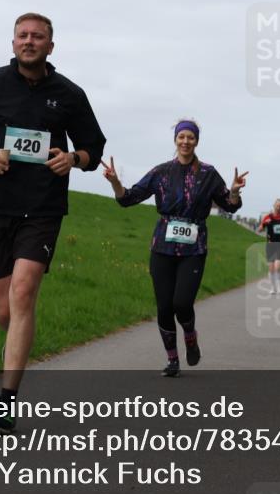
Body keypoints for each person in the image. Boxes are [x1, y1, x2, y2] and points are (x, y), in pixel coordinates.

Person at [0, 12, 107, 433]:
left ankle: (5, 403)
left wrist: (73, 158)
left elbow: (93, 147)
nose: (29, 41)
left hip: (43, 207)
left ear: (51, 46)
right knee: (6, 309)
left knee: (23, 289)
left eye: (38, 37)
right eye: (23, 35)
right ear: (13, 42)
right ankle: (19, 337)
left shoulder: (69, 93)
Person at [102, 120, 247, 377]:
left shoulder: (208, 173)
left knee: (182, 303)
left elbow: (230, 204)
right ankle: (172, 359)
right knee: (164, 307)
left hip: (194, 248)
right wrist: (115, 181)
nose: (185, 141)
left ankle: (190, 336)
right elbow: (129, 198)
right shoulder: (161, 172)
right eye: (181, 136)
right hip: (162, 247)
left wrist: (234, 191)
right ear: (175, 140)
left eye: (191, 137)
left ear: (197, 141)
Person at [257, 199, 280, 295]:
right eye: (277, 205)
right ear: (274, 205)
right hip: (270, 245)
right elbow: (259, 229)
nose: (278, 207)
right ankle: (273, 288)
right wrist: (263, 225)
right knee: (271, 269)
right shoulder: (268, 217)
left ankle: (279, 287)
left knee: (277, 268)